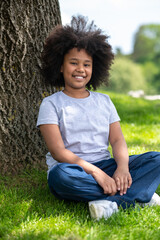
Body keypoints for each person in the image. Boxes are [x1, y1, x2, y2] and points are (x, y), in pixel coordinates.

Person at [37, 15, 160, 220]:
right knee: (61, 178)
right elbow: (58, 152)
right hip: (73, 169)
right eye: (73, 63)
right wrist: (97, 174)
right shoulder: (51, 104)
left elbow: (117, 139)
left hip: (106, 165)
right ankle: (139, 196)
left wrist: (121, 168)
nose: (80, 69)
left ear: (94, 69)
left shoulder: (104, 101)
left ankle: (112, 203)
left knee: (156, 159)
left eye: (87, 64)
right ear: (60, 66)